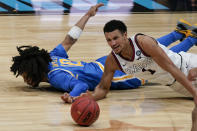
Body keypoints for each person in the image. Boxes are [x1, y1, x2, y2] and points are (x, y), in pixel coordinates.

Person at [10, 3, 148, 103]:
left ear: (34, 70)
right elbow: (70, 39)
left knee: (156, 64)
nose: (25, 80)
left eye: (25, 75)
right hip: (101, 62)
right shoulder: (50, 57)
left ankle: (171, 37)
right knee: (147, 47)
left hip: (115, 75)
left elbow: (81, 86)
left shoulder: (55, 76)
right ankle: (171, 35)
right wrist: (87, 15)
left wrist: (72, 96)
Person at [76, 16, 197, 106]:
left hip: (188, 66)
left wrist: (194, 91)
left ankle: (192, 36)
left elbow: (171, 68)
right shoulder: (112, 61)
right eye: (108, 40)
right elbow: (103, 88)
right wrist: (91, 97)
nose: (112, 43)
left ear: (125, 35)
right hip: (177, 86)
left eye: (115, 38)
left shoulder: (143, 42)